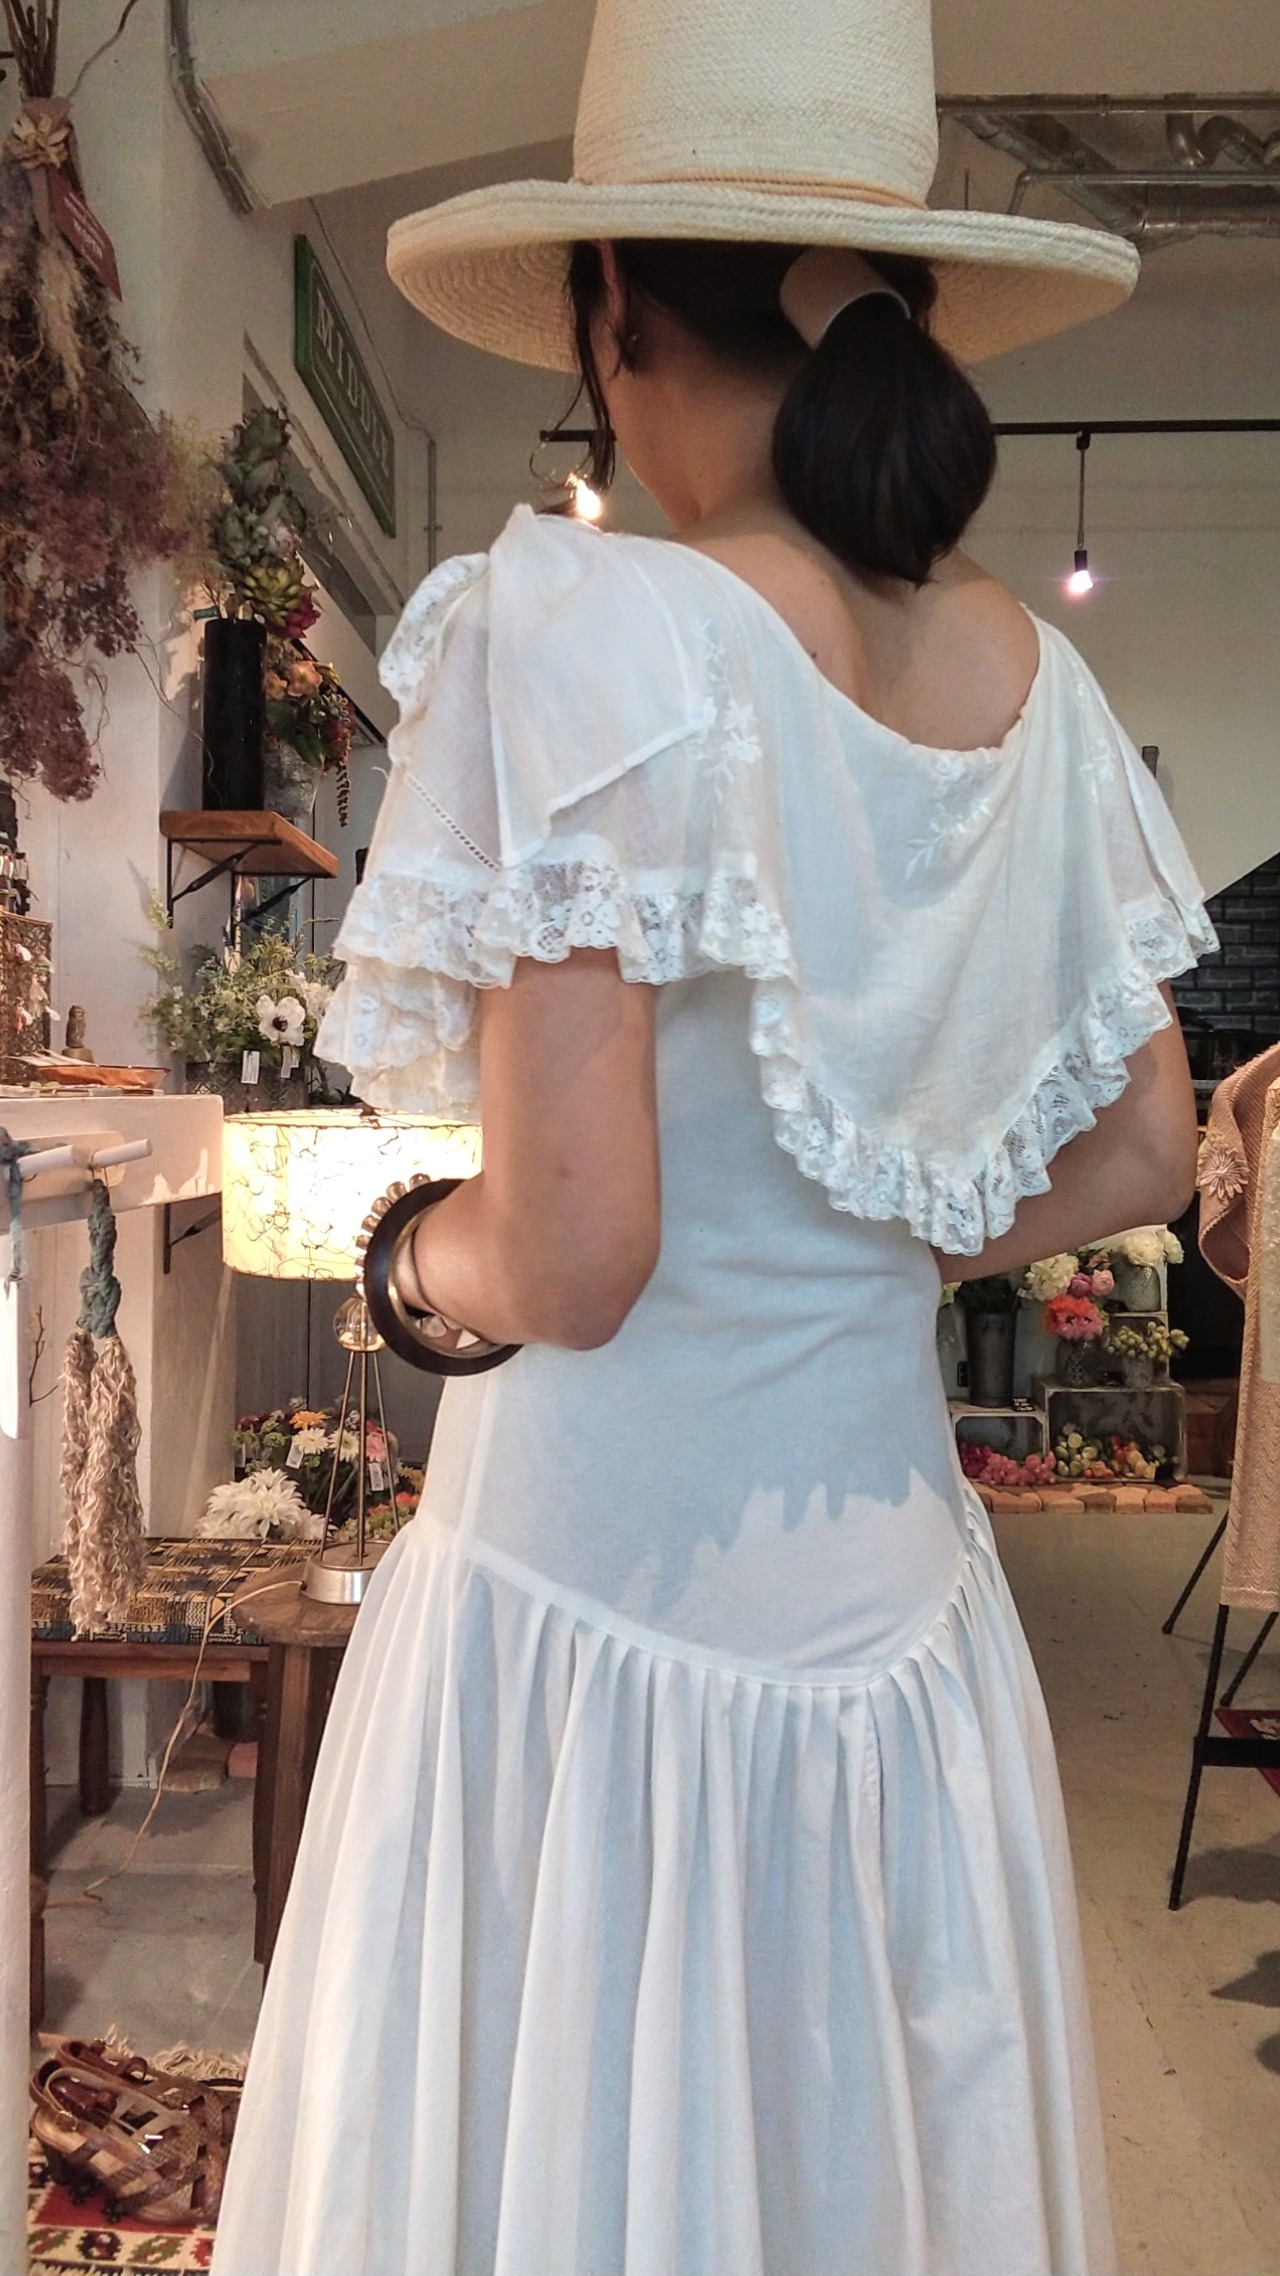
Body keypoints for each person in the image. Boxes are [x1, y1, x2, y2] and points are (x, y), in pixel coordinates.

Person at [211, 0, 1213, 2269]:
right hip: (896, 1612)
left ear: (613, 313)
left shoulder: (587, 621)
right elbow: (1149, 1148)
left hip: (591, 1607)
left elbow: (571, 1260)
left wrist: (402, 1257)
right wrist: (871, 1241)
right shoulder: (1026, 684)